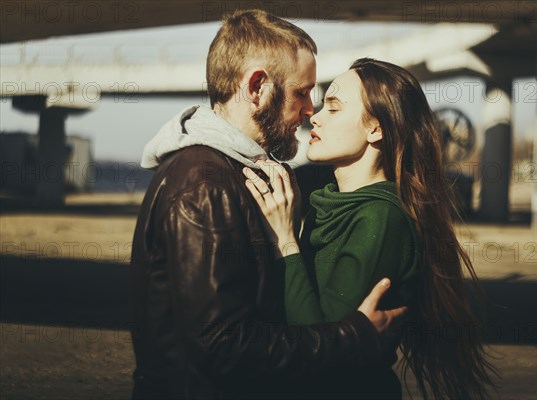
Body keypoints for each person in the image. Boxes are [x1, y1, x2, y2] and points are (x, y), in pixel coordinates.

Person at [129, 10, 407, 400]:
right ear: (257, 86)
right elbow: (223, 346)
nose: (310, 110)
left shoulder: (240, 174)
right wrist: (354, 335)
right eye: (301, 92)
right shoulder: (202, 184)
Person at [244, 58, 499, 399]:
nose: (314, 117)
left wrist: (286, 241)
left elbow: (319, 348)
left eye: (333, 109)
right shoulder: (327, 202)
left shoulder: (381, 217)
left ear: (375, 129)